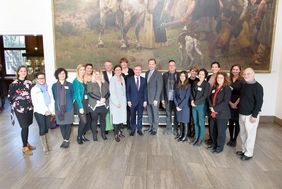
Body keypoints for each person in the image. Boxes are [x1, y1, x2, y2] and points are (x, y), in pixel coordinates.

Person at [236, 67, 263, 161]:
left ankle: (249, 153)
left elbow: (259, 102)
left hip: (251, 116)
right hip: (242, 113)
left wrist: (254, 115)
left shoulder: (258, 86)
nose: (246, 75)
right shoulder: (244, 85)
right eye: (244, 74)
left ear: (253, 74)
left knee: (250, 135)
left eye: (248, 74)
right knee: (243, 134)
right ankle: (244, 150)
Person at [8, 66, 35, 155]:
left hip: (29, 107)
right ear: (18, 72)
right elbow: (10, 97)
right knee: (24, 126)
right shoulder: (13, 84)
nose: (23, 72)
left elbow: (33, 94)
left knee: (27, 125)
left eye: (25, 71)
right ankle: (24, 147)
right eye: (21, 71)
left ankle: (26, 143)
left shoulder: (29, 83)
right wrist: (18, 103)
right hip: (19, 109)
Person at [208, 72, 231, 153]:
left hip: (222, 114)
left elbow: (225, 102)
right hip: (213, 113)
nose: (219, 79)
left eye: (221, 78)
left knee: (220, 132)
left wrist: (215, 109)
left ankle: (219, 147)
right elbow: (209, 98)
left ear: (225, 79)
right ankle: (214, 144)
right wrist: (211, 107)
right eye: (218, 78)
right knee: (213, 130)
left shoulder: (227, 88)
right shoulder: (215, 87)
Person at [52, 68, 74, 148]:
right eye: (60, 73)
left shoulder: (70, 85)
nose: (62, 75)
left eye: (63, 73)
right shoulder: (54, 86)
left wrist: (67, 103)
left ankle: (66, 140)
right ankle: (65, 139)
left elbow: (72, 95)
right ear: (57, 75)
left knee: (68, 124)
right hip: (58, 109)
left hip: (69, 107)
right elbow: (55, 97)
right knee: (61, 125)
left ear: (66, 75)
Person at [31, 72, 51, 153]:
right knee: (42, 128)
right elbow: (35, 103)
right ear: (37, 79)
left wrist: (50, 110)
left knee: (46, 128)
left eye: (43, 78)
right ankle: (45, 147)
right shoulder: (34, 89)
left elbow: (51, 99)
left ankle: (47, 143)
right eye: (40, 78)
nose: (42, 80)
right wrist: (44, 111)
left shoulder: (48, 87)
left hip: (48, 111)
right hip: (39, 111)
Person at [87, 70, 110, 141]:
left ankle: (103, 134)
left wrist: (104, 98)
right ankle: (94, 135)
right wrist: (100, 99)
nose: (98, 76)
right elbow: (90, 93)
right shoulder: (91, 83)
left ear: (101, 75)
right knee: (94, 120)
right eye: (96, 74)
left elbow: (109, 93)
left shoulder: (105, 82)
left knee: (103, 120)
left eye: (99, 74)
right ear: (94, 75)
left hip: (103, 105)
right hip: (95, 105)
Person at [126, 65, 147, 136]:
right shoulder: (129, 79)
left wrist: (145, 101)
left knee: (140, 116)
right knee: (132, 116)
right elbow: (127, 91)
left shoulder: (144, 79)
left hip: (141, 102)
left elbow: (145, 91)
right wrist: (128, 100)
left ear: (141, 71)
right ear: (134, 70)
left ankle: (139, 129)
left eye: (139, 70)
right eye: (136, 69)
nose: (138, 71)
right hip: (132, 101)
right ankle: (133, 129)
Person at [191, 68, 210, 146]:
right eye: (200, 74)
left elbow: (204, 96)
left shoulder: (206, 84)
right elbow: (191, 93)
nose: (201, 75)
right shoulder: (195, 82)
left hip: (201, 105)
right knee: (195, 122)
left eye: (203, 74)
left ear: (205, 75)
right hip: (193, 105)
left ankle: (200, 139)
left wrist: (195, 102)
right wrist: (192, 100)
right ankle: (196, 137)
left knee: (200, 123)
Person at [145, 58, 163, 135]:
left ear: (155, 65)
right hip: (148, 98)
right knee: (149, 113)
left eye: (152, 64)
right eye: (150, 64)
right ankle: (151, 127)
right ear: (148, 65)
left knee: (155, 114)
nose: (151, 65)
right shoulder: (147, 73)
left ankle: (155, 129)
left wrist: (156, 99)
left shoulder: (158, 74)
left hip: (155, 99)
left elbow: (159, 87)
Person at [109, 65, 127, 142]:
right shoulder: (112, 79)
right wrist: (117, 103)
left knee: (121, 118)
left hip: (122, 102)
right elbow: (112, 93)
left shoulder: (122, 78)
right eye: (116, 70)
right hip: (115, 103)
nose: (118, 71)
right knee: (116, 119)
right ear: (114, 71)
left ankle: (119, 132)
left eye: (119, 70)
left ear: (121, 70)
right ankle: (116, 134)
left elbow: (124, 91)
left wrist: (124, 102)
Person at [227, 64, 244, 147]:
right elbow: (226, 92)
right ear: (231, 70)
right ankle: (230, 138)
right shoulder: (228, 79)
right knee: (230, 121)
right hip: (229, 102)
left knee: (237, 122)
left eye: (237, 69)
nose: (235, 71)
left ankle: (234, 140)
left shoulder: (242, 81)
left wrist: (235, 104)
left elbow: (242, 94)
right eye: (233, 69)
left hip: (238, 103)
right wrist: (230, 103)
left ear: (240, 70)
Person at [206, 61, 221, 145]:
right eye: (213, 67)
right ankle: (211, 138)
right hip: (209, 101)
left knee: (217, 122)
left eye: (216, 67)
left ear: (219, 68)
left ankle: (216, 139)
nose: (214, 68)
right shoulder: (209, 77)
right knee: (210, 120)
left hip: (217, 102)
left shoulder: (221, 77)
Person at [73, 64, 89, 144]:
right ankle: (79, 136)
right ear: (78, 71)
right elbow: (77, 95)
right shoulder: (76, 81)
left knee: (83, 121)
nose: (83, 71)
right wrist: (80, 107)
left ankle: (82, 135)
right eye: (81, 70)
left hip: (85, 102)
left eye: (83, 69)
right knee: (84, 121)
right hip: (79, 103)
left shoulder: (84, 80)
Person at [161, 60, 178, 135]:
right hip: (167, 98)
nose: (171, 66)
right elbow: (162, 88)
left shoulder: (179, 74)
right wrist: (162, 99)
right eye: (170, 65)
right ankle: (168, 129)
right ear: (168, 66)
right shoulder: (164, 75)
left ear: (175, 66)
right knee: (168, 114)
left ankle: (176, 129)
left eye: (173, 65)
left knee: (177, 115)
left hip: (177, 99)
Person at [174, 71, 191, 142]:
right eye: (181, 76)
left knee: (185, 122)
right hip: (178, 106)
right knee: (180, 121)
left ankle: (185, 136)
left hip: (185, 106)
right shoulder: (176, 84)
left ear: (186, 77)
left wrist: (180, 106)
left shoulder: (188, 85)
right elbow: (174, 96)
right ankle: (181, 135)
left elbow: (186, 98)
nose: (182, 77)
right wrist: (177, 105)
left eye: (183, 76)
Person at [120, 57, 134, 130]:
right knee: (122, 109)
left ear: (127, 63)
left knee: (129, 110)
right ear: (120, 64)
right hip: (121, 93)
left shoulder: (131, 71)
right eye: (122, 62)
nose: (123, 64)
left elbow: (134, 81)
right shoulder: (118, 71)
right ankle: (121, 124)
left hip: (130, 93)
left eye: (125, 62)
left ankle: (129, 124)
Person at [188, 66, 199, 137]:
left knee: (195, 118)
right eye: (192, 71)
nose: (194, 72)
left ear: (197, 73)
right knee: (189, 118)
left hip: (196, 102)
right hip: (188, 102)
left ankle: (195, 131)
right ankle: (189, 131)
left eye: (195, 71)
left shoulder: (198, 80)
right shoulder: (187, 80)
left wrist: (195, 101)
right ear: (190, 72)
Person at [84, 63, 94, 136]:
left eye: (91, 68)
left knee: (92, 114)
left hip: (93, 98)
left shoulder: (93, 77)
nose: (89, 69)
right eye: (88, 68)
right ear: (85, 69)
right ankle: (84, 129)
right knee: (85, 114)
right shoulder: (82, 77)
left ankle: (92, 128)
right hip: (84, 98)